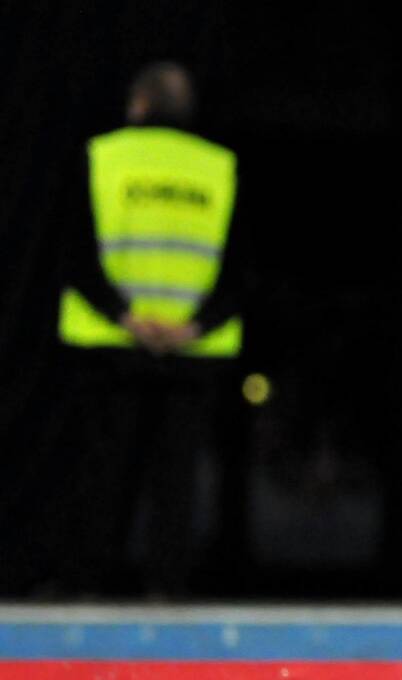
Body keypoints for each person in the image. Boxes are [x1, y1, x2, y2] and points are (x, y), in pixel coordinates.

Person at [56, 60, 244, 595]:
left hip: (113, 344)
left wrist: (125, 317)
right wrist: (194, 326)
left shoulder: (104, 157)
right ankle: (168, 593)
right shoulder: (219, 168)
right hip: (192, 350)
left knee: (103, 475)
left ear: (138, 104)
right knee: (177, 481)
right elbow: (242, 267)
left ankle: (88, 590)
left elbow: (72, 251)